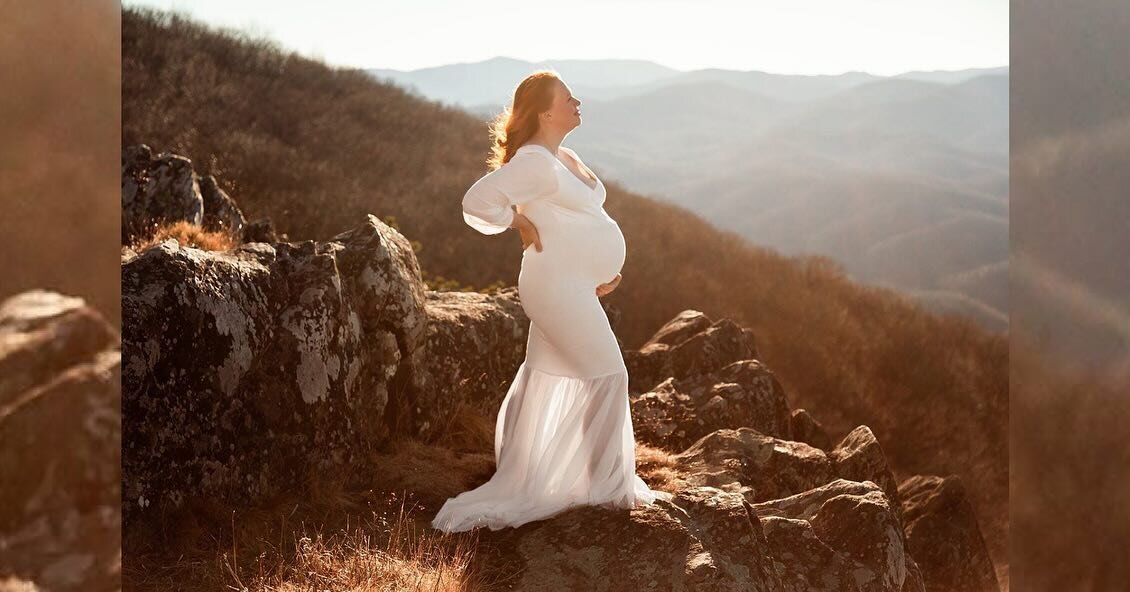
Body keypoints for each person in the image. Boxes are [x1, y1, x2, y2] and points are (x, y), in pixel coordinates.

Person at [432, 70, 666, 533]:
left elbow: (579, 216)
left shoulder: (566, 156)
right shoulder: (535, 161)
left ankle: (552, 479)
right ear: (544, 112)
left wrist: (598, 269)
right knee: (609, 373)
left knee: (551, 376)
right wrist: (519, 222)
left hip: (573, 284)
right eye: (567, 97)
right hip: (555, 287)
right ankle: (608, 490)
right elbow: (477, 201)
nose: (577, 101)